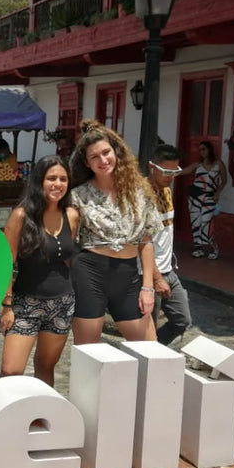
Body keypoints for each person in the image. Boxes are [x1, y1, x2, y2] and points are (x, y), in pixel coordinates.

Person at [69, 119, 162, 344]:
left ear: (116, 152)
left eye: (106, 152)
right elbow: (68, 241)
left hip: (129, 275)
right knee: (89, 351)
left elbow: (146, 240)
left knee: (150, 349)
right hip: (89, 272)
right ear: (87, 162)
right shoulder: (78, 195)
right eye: (94, 157)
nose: (103, 160)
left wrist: (148, 286)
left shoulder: (140, 191)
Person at [0, 155, 79, 386]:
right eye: (51, 178)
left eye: (63, 179)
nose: (58, 184)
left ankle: (40, 419)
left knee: (45, 368)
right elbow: (7, 262)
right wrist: (7, 306)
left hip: (62, 304)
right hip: (26, 304)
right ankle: (4, 419)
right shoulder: (21, 216)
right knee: (11, 371)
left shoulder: (71, 215)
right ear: (39, 181)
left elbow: (66, 258)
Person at [147, 144, 192, 345]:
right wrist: (156, 278)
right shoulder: (141, 195)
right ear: (152, 167)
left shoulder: (166, 191)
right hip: (147, 273)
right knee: (147, 327)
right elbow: (141, 241)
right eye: (165, 171)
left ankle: (157, 353)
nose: (170, 177)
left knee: (182, 320)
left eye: (174, 172)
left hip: (168, 270)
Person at [180, 140, 228, 259]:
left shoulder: (218, 164)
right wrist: (167, 171)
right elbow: (182, 171)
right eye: (200, 150)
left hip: (210, 197)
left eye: (204, 149)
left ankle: (213, 247)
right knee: (196, 222)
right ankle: (198, 248)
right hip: (195, 197)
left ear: (210, 149)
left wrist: (218, 192)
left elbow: (224, 180)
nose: (202, 152)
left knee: (206, 222)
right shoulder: (197, 165)